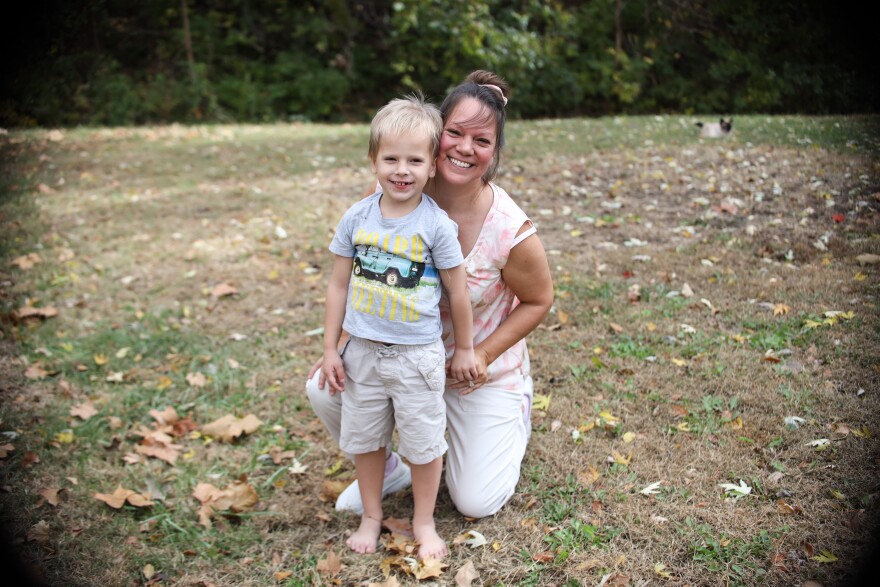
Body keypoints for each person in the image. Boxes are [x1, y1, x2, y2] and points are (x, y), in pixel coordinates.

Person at [308, 70, 553, 522]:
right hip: (390, 355)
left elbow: (539, 301)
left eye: (481, 140)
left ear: (494, 152)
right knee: (324, 387)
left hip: (469, 372)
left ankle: (509, 415)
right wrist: (339, 344)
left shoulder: (509, 229)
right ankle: (388, 468)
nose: (464, 148)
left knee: (475, 502)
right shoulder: (396, 189)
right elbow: (360, 273)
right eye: (455, 133)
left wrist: (479, 354)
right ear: (435, 135)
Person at [322, 94, 478, 560]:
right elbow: (336, 286)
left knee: (423, 444)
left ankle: (423, 522)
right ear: (374, 161)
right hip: (363, 352)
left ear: (433, 165)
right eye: (391, 158)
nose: (401, 170)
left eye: (415, 159)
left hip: (417, 356)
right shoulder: (356, 217)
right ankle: (372, 515)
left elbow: (457, 292)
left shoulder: (436, 225)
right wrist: (332, 348)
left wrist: (465, 348)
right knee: (367, 440)